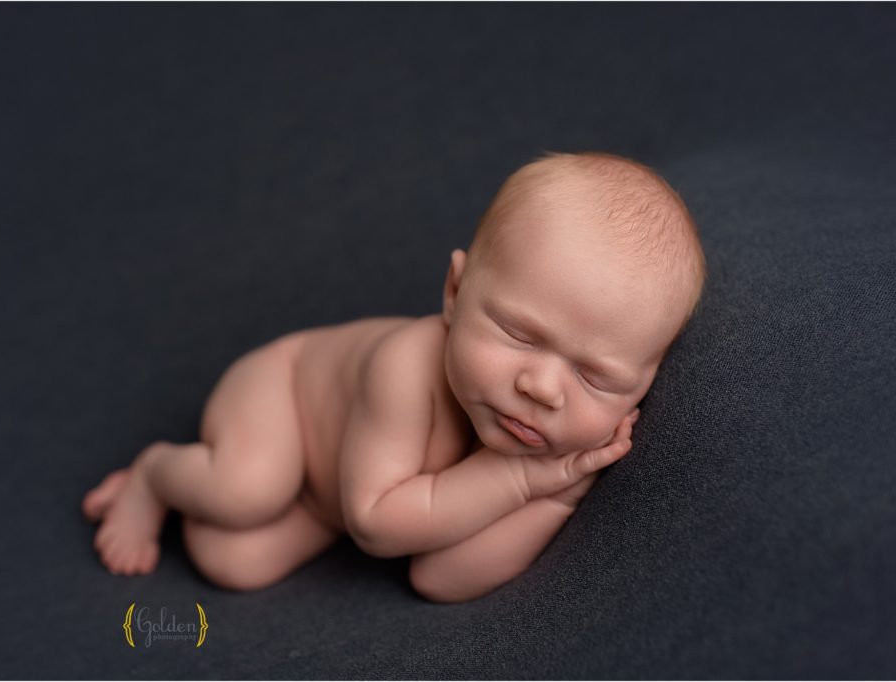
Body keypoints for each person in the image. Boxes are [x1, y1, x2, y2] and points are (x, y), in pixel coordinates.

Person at [82, 151, 706, 603]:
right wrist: (522, 478)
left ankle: (227, 489)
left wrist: (558, 494)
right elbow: (379, 524)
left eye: (597, 377)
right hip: (286, 395)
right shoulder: (405, 366)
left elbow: (439, 578)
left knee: (233, 562)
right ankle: (155, 473)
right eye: (520, 334)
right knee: (248, 487)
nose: (542, 388)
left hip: (336, 489)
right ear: (455, 293)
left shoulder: (550, 442)